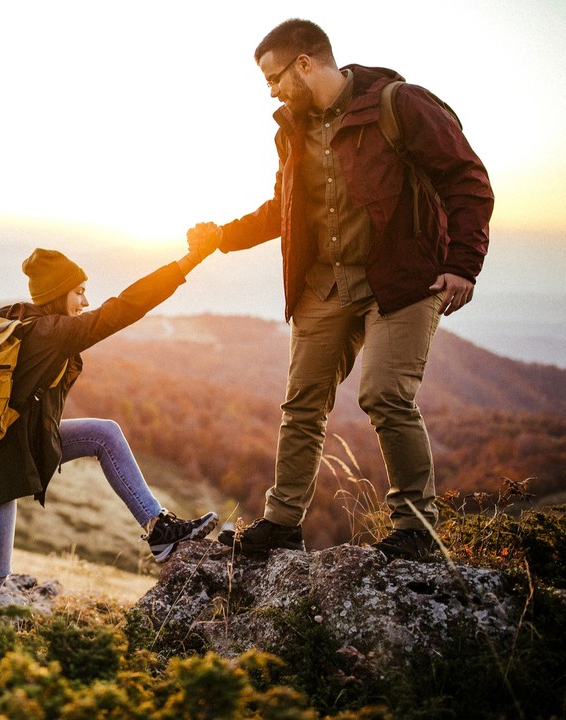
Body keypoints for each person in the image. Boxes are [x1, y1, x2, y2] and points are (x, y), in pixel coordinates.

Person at [186, 19, 494, 560]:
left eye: (274, 78)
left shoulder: (400, 104)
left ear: (305, 63)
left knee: (384, 393)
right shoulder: (292, 130)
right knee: (301, 403)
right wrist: (220, 239)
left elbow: (467, 178)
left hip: (400, 280)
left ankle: (417, 528)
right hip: (324, 285)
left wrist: (463, 264)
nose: (273, 92)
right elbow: (283, 209)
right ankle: (282, 523)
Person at [0, 246, 219, 599]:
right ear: (57, 294)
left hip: (21, 447)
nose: (86, 301)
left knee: (103, 433)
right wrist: (185, 263)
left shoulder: (20, 319)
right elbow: (125, 307)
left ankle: (158, 529)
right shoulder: (51, 334)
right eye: (78, 292)